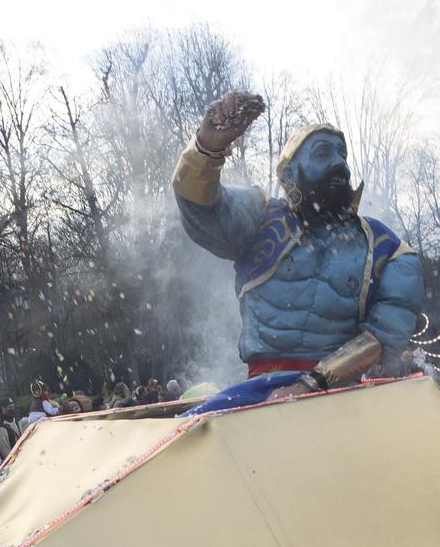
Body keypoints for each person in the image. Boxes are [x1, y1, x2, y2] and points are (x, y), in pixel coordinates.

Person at [172, 92, 424, 394]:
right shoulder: (260, 216)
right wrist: (206, 148)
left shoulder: (387, 249)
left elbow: (387, 332)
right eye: (322, 154)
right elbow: (202, 210)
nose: (339, 164)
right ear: (289, 173)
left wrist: (313, 384)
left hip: (343, 396)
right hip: (261, 394)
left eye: (342, 155)